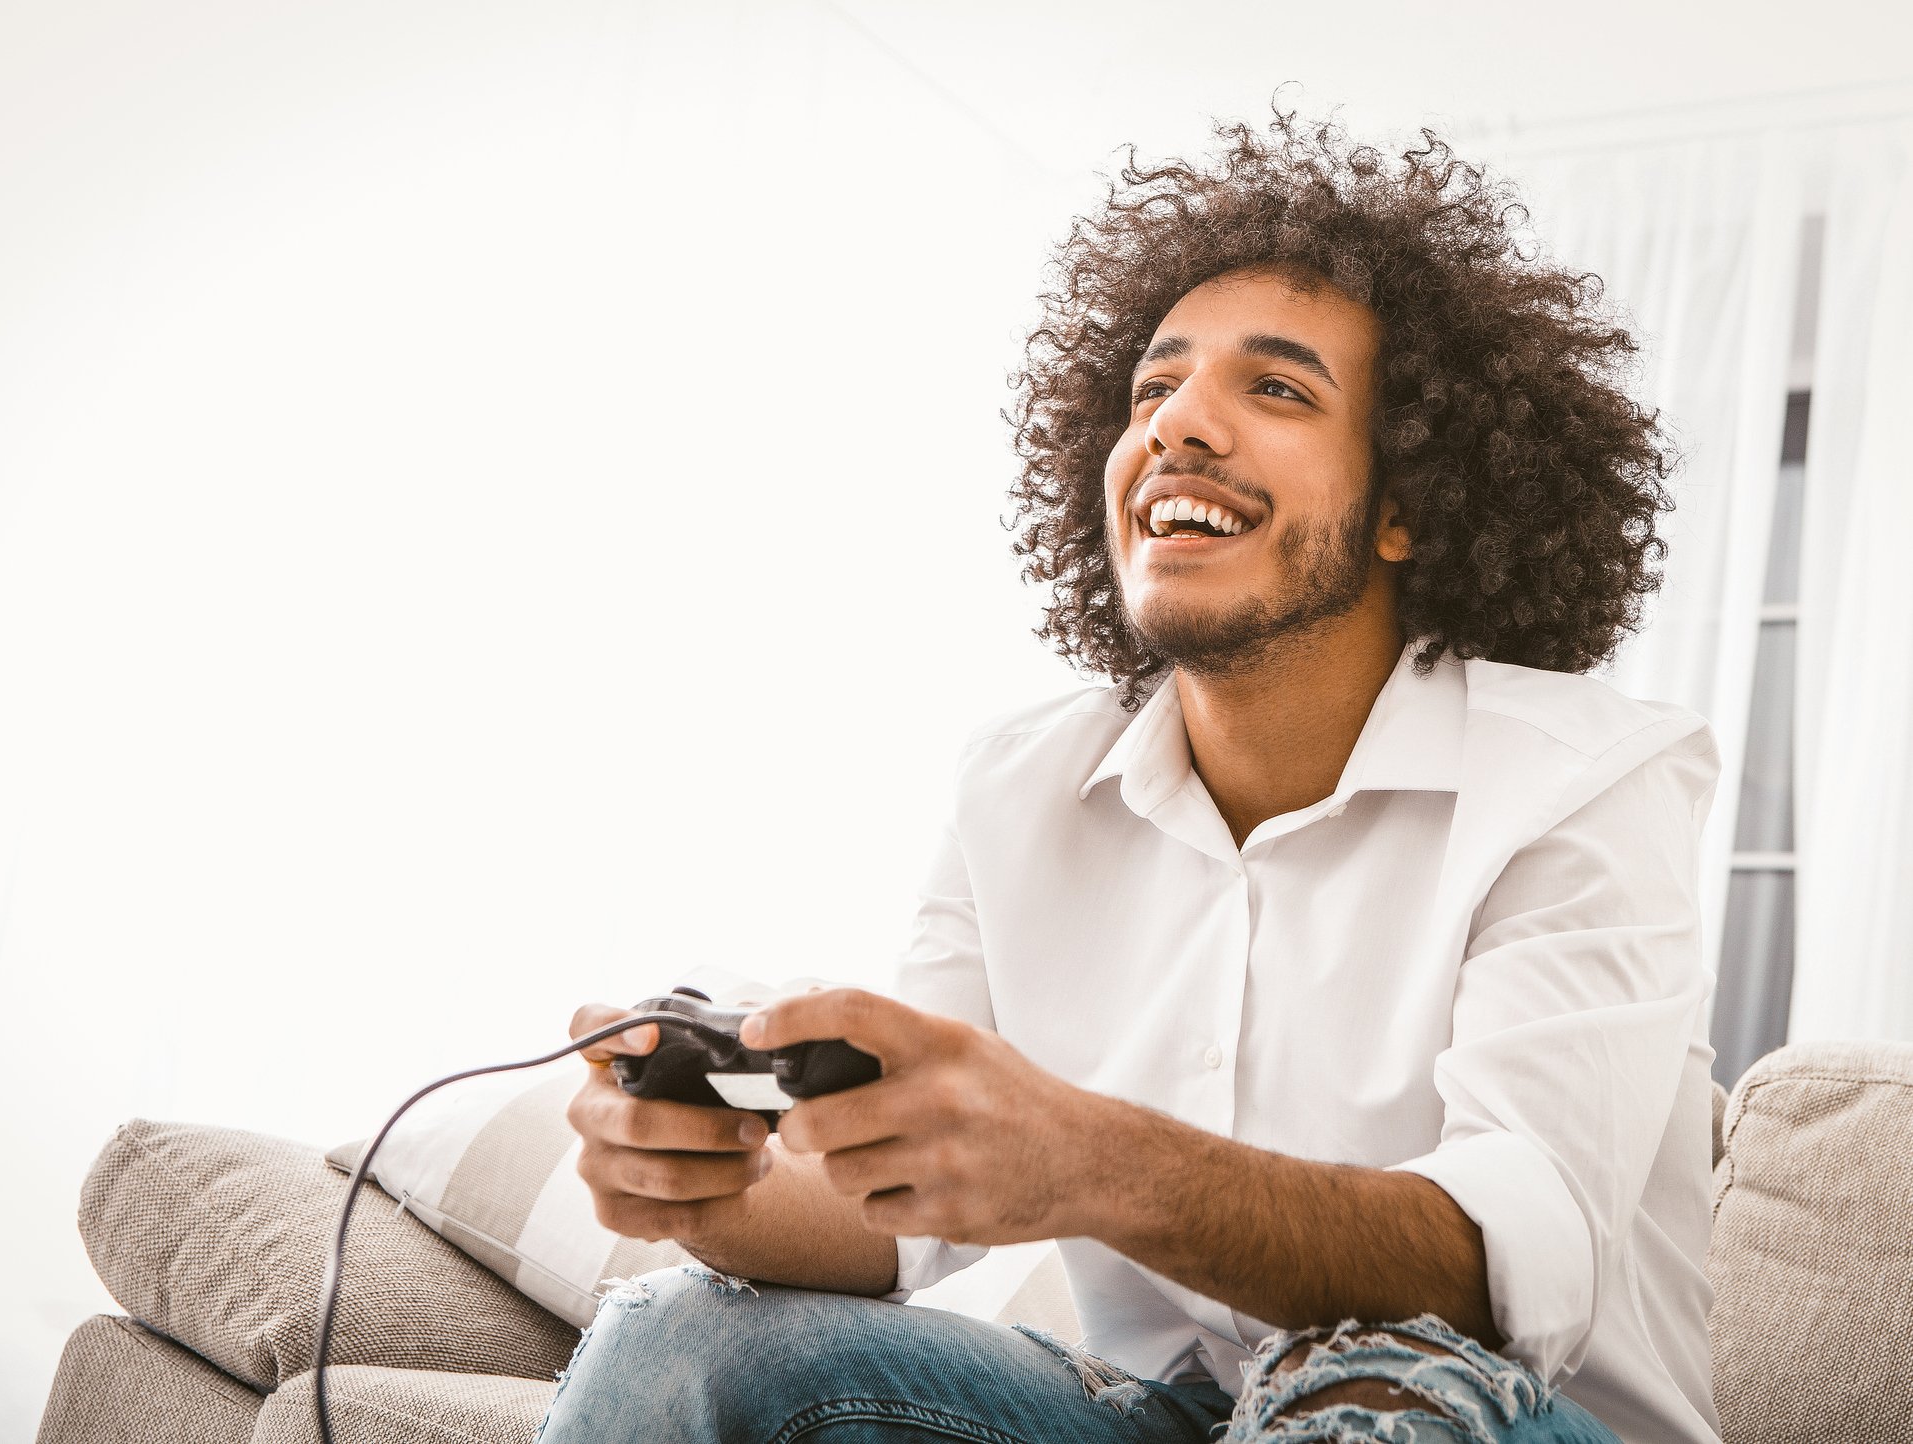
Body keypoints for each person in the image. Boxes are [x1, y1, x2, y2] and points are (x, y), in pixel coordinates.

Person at [540, 109, 1721, 1444]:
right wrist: (705, 1190)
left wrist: (1094, 1159)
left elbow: (1492, 1275)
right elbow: (893, 1215)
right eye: (1152, 390)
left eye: (1275, 390)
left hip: (1496, 1410)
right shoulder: (1018, 784)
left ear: (1410, 507)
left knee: (1373, 1395)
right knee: (670, 1337)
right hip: (1169, 1416)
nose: (1178, 428)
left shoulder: (1587, 778)